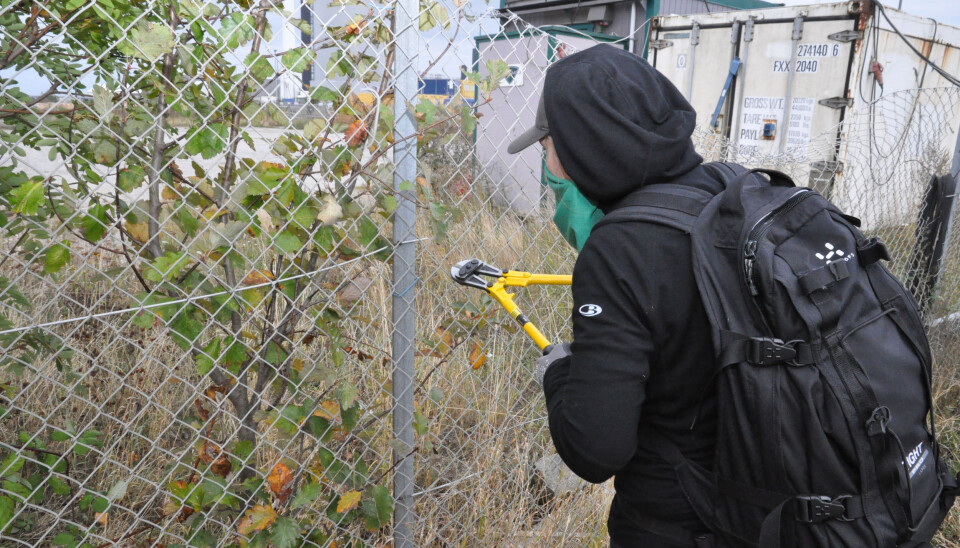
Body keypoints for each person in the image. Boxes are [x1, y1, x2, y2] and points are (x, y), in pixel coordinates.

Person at [507, 43, 722, 547]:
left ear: (583, 147)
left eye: (547, 150)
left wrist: (559, 371)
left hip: (684, 523)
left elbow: (595, 451)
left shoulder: (620, 249)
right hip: (788, 505)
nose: (550, 172)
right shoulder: (731, 192)